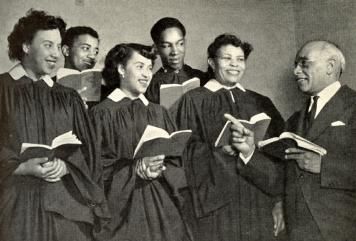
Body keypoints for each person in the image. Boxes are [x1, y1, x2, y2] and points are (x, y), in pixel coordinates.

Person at [227, 40, 356, 241]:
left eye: (304, 64)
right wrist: (248, 151)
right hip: (299, 231)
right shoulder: (295, 120)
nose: (296, 71)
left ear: (330, 66)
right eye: (296, 64)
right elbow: (279, 179)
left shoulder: (353, 106)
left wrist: (325, 166)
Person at [0, 9, 109, 241]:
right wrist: (21, 168)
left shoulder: (68, 96)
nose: (55, 55)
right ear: (26, 46)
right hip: (17, 203)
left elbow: (89, 151)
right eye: (47, 45)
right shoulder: (3, 90)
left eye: (58, 46)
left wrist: (67, 165)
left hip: (65, 202)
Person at [176, 34, 286, 241]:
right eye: (227, 58)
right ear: (211, 62)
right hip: (218, 206)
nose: (235, 65)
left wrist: (279, 200)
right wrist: (219, 151)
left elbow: (278, 153)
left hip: (259, 200)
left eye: (240, 59)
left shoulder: (260, 101)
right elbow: (183, 152)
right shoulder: (193, 100)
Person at [90, 43, 192, 241]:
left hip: (162, 201)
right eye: (139, 67)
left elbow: (177, 162)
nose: (146, 74)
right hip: (124, 207)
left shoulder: (159, 112)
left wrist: (161, 166)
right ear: (121, 69)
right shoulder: (101, 114)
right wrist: (133, 169)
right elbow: (94, 167)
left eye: (149, 68)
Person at [145, 17, 207, 106]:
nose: (175, 51)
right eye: (167, 46)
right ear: (156, 49)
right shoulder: (150, 86)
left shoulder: (202, 78)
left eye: (180, 44)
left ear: (185, 43)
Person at [60, 26, 108, 108]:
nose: (92, 56)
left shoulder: (105, 93)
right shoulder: (47, 87)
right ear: (66, 51)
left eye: (96, 51)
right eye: (86, 48)